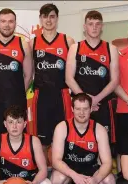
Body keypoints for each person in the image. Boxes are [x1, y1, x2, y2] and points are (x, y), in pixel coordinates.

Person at [46, 93, 116, 184]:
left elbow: (107, 163)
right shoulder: (62, 127)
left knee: (110, 183)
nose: (81, 113)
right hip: (68, 168)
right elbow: (56, 161)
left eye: (85, 109)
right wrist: (74, 175)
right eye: (78, 109)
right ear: (72, 109)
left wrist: (96, 178)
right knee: (56, 182)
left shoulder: (99, 129)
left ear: (91, 109)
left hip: (90, 168)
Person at [65, 10, 119, 160]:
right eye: (90, 24)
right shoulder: (75, 48)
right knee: (78, 141)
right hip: (81, 105)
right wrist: (86, 100)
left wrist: (96, 99)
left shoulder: (111, 49)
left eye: (97, 24)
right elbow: (69, 78)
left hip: (103, 104)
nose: (94, 27)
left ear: (102, 26)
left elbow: (115, 80)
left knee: (104, 144)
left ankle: (103, 179)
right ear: (85, 27)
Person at [29, 3, 75, 165]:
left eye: (52, 16)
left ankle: (62, 177)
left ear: (57, 18)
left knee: (63, 137)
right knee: (41, 140)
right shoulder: (32, 43)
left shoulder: (67, 41)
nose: (48, 20)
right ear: (40, 19)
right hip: (41, 96)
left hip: (61, 95)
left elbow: (73, 72)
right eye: (45, 16)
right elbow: (29, 72)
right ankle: (43, 175)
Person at [0, 8, 33, 139]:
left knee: (19, 138)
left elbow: (28, 75)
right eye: (3, 21)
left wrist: (17, 93)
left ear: (15, 23)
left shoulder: (23, 44)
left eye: (10, 21)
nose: (7, 25)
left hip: (17, 101)